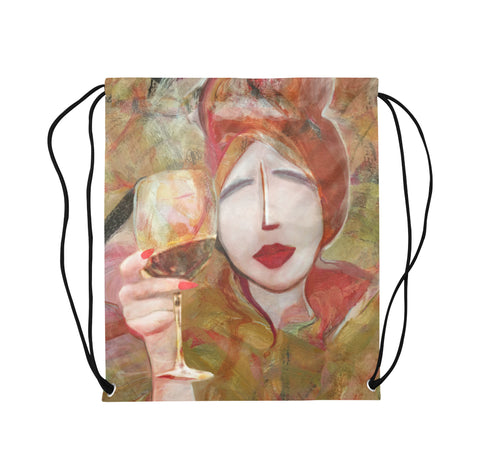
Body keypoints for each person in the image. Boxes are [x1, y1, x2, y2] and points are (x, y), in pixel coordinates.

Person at [105, 78, 380, 401]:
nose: (267, 219)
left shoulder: (370, 317)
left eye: (289, 180)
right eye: (238, 190)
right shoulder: (179, 327)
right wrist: (164, 357)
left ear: (327, 202)